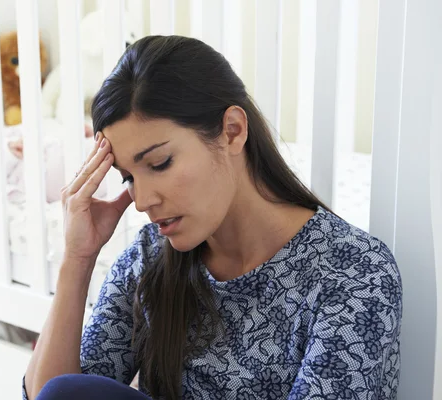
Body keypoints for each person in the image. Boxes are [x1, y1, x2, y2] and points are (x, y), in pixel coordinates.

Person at [23, 36, 402, 400]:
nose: (142, 201)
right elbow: (53, 395)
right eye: (128, 178)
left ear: (232, 131)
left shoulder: (354, 271)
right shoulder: (150, 257)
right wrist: (78, 259)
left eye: (159, 163)